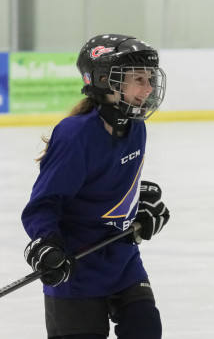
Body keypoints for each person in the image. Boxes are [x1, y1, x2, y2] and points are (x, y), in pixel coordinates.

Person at [21, 34, 170, 339]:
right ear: (106, 81)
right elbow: (44, 205)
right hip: (75, 267)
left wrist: (140, 209)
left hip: (122, 260)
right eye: (138, 79)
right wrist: (46, 245)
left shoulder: (135, 126)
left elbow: (112, 182)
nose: (149, 88)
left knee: (146, 328)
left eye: (150, 78)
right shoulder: (75, 135)